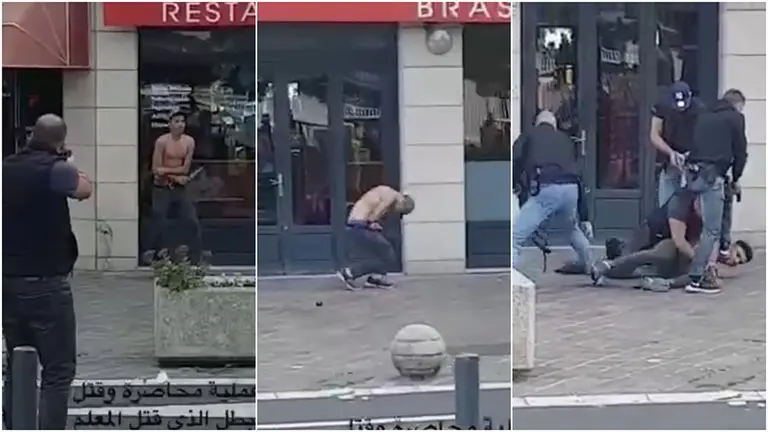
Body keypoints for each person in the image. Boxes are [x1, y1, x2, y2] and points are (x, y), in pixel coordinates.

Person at [2, 113, 93, 429]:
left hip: (8, 282)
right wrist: (69, 163)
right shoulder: (56, 169)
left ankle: (14, 425)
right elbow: (84, 189)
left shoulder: (6, 168)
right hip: (47, 284)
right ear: (60, 141)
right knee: (57, 370)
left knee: (17, 364)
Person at [591, 192, 753, 289]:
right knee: (637, 258)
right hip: (655, 231)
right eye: (737, 254)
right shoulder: (682, 203)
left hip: (674, 255)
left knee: (637, 269)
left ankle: (657, 281)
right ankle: (611, 259)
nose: (734, 260)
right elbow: (680, 241)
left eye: (738, 261)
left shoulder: (714, 246)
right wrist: (700, 263)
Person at [682, 89, 748, 294]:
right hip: (713, 176)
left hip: (694, 174)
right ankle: (697, 276)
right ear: (737, 104)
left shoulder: (704, 116)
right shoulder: (735, 118)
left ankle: (715, 257)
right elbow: (740, 151)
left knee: (702, 223)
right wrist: (736, 177)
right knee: (712, 229)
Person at [512, 110, 593, 272]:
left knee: (515, 237)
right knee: (571, 229)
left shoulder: (529, 135)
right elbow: (578, 175)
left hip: (547, 188)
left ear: (537, 123)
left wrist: (515, 183)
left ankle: (513, 278)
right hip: (571, 189)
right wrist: (585, 216)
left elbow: (516, 158)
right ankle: (591, 266)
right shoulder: (566, 140)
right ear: (554, 124)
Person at [143, 110, 202, 263]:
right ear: (169, 124)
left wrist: (168, 172)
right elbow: (156, 169)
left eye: (182, 121)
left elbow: (185, 168)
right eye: (176, 121)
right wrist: (175, 177)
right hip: (162, 188)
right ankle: (157, 255)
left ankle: (194, 256)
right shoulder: (162, 142)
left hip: (179, 189)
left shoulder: (189, 142)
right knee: (159, 221)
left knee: (191, 220)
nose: (180, 125)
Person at [337, 185, 415, 290]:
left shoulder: (385, 191)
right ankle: (350, 272)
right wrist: (372, 223)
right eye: (400, 211)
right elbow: (377, 211)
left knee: (381, 253)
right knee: (388, 253)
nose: (396, 212)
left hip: (356, 224)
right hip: (360, 225)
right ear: (402, 202)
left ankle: (375, 278)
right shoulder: (391, 196)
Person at [650, 81, 705, 206]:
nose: (681, 107)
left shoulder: (700, 109)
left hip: (693, 160)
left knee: (695, 205)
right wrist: (671, 153)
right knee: (666, 204)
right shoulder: (662, 105)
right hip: (669, 159)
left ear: (690, 96)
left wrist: (689, 155)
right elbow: (654, 134)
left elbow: (703, 137)